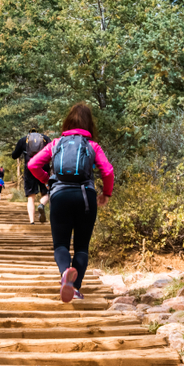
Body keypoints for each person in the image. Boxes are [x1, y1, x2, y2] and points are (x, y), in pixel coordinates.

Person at [27, 103, 114, 303]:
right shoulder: (92, 146)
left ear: (68, 122)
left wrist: (47, 180)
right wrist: (106, 194)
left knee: (61, 245)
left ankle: (65, 272)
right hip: (85, 197)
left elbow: (33, 164)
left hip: (60, 196)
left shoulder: (56, 143)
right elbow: (108, 171)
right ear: (89, 124)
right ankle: (74, 288)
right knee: (82, 246)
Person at [11, 128, 51, 224]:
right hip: (43, 167)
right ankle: (42, 204)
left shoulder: (23, 140)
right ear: (38, 133)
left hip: (29, 168)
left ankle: (32, 221)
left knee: (31, 196)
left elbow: (14, 155)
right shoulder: (45, 138)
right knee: (47, 192)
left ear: (29, 133)